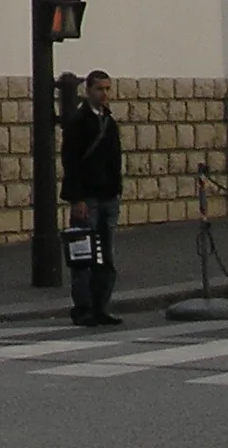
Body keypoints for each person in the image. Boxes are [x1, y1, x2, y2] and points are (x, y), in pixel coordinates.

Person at [62, 68, 124, 327]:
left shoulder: (109, 121)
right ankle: (83, 308)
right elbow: (71, 162)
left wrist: (117, 188)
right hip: (87, 197)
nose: (104, 94)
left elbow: (114, 159)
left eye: (108, 89)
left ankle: (101, 306)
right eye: (100, 89)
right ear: (88, 91)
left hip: (108, 196)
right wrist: (77, 199)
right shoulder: (79, 121)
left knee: (105, 257)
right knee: (84, 256)